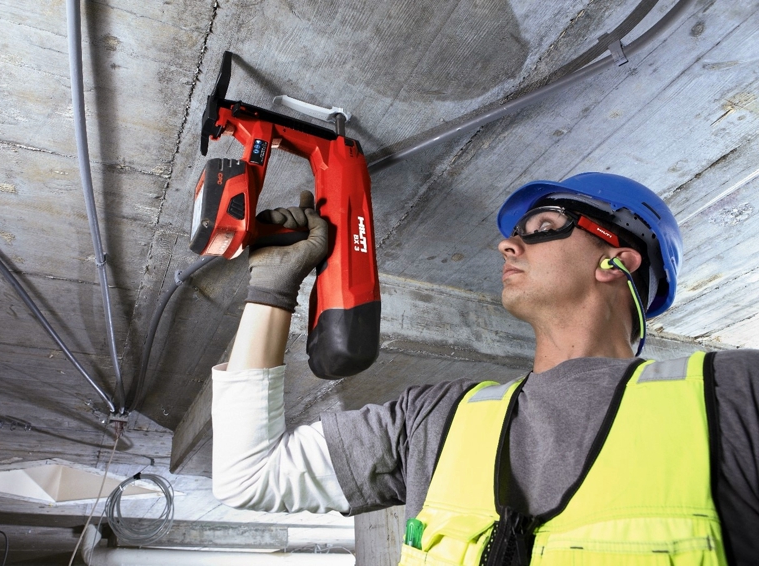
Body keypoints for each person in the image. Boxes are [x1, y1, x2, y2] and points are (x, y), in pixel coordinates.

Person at [210, 173, 759, 564]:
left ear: (619, 259)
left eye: (543, 225)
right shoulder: (435, 418)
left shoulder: (732, 397)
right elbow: (249, 477)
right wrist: (272, 289)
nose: (506, 244)